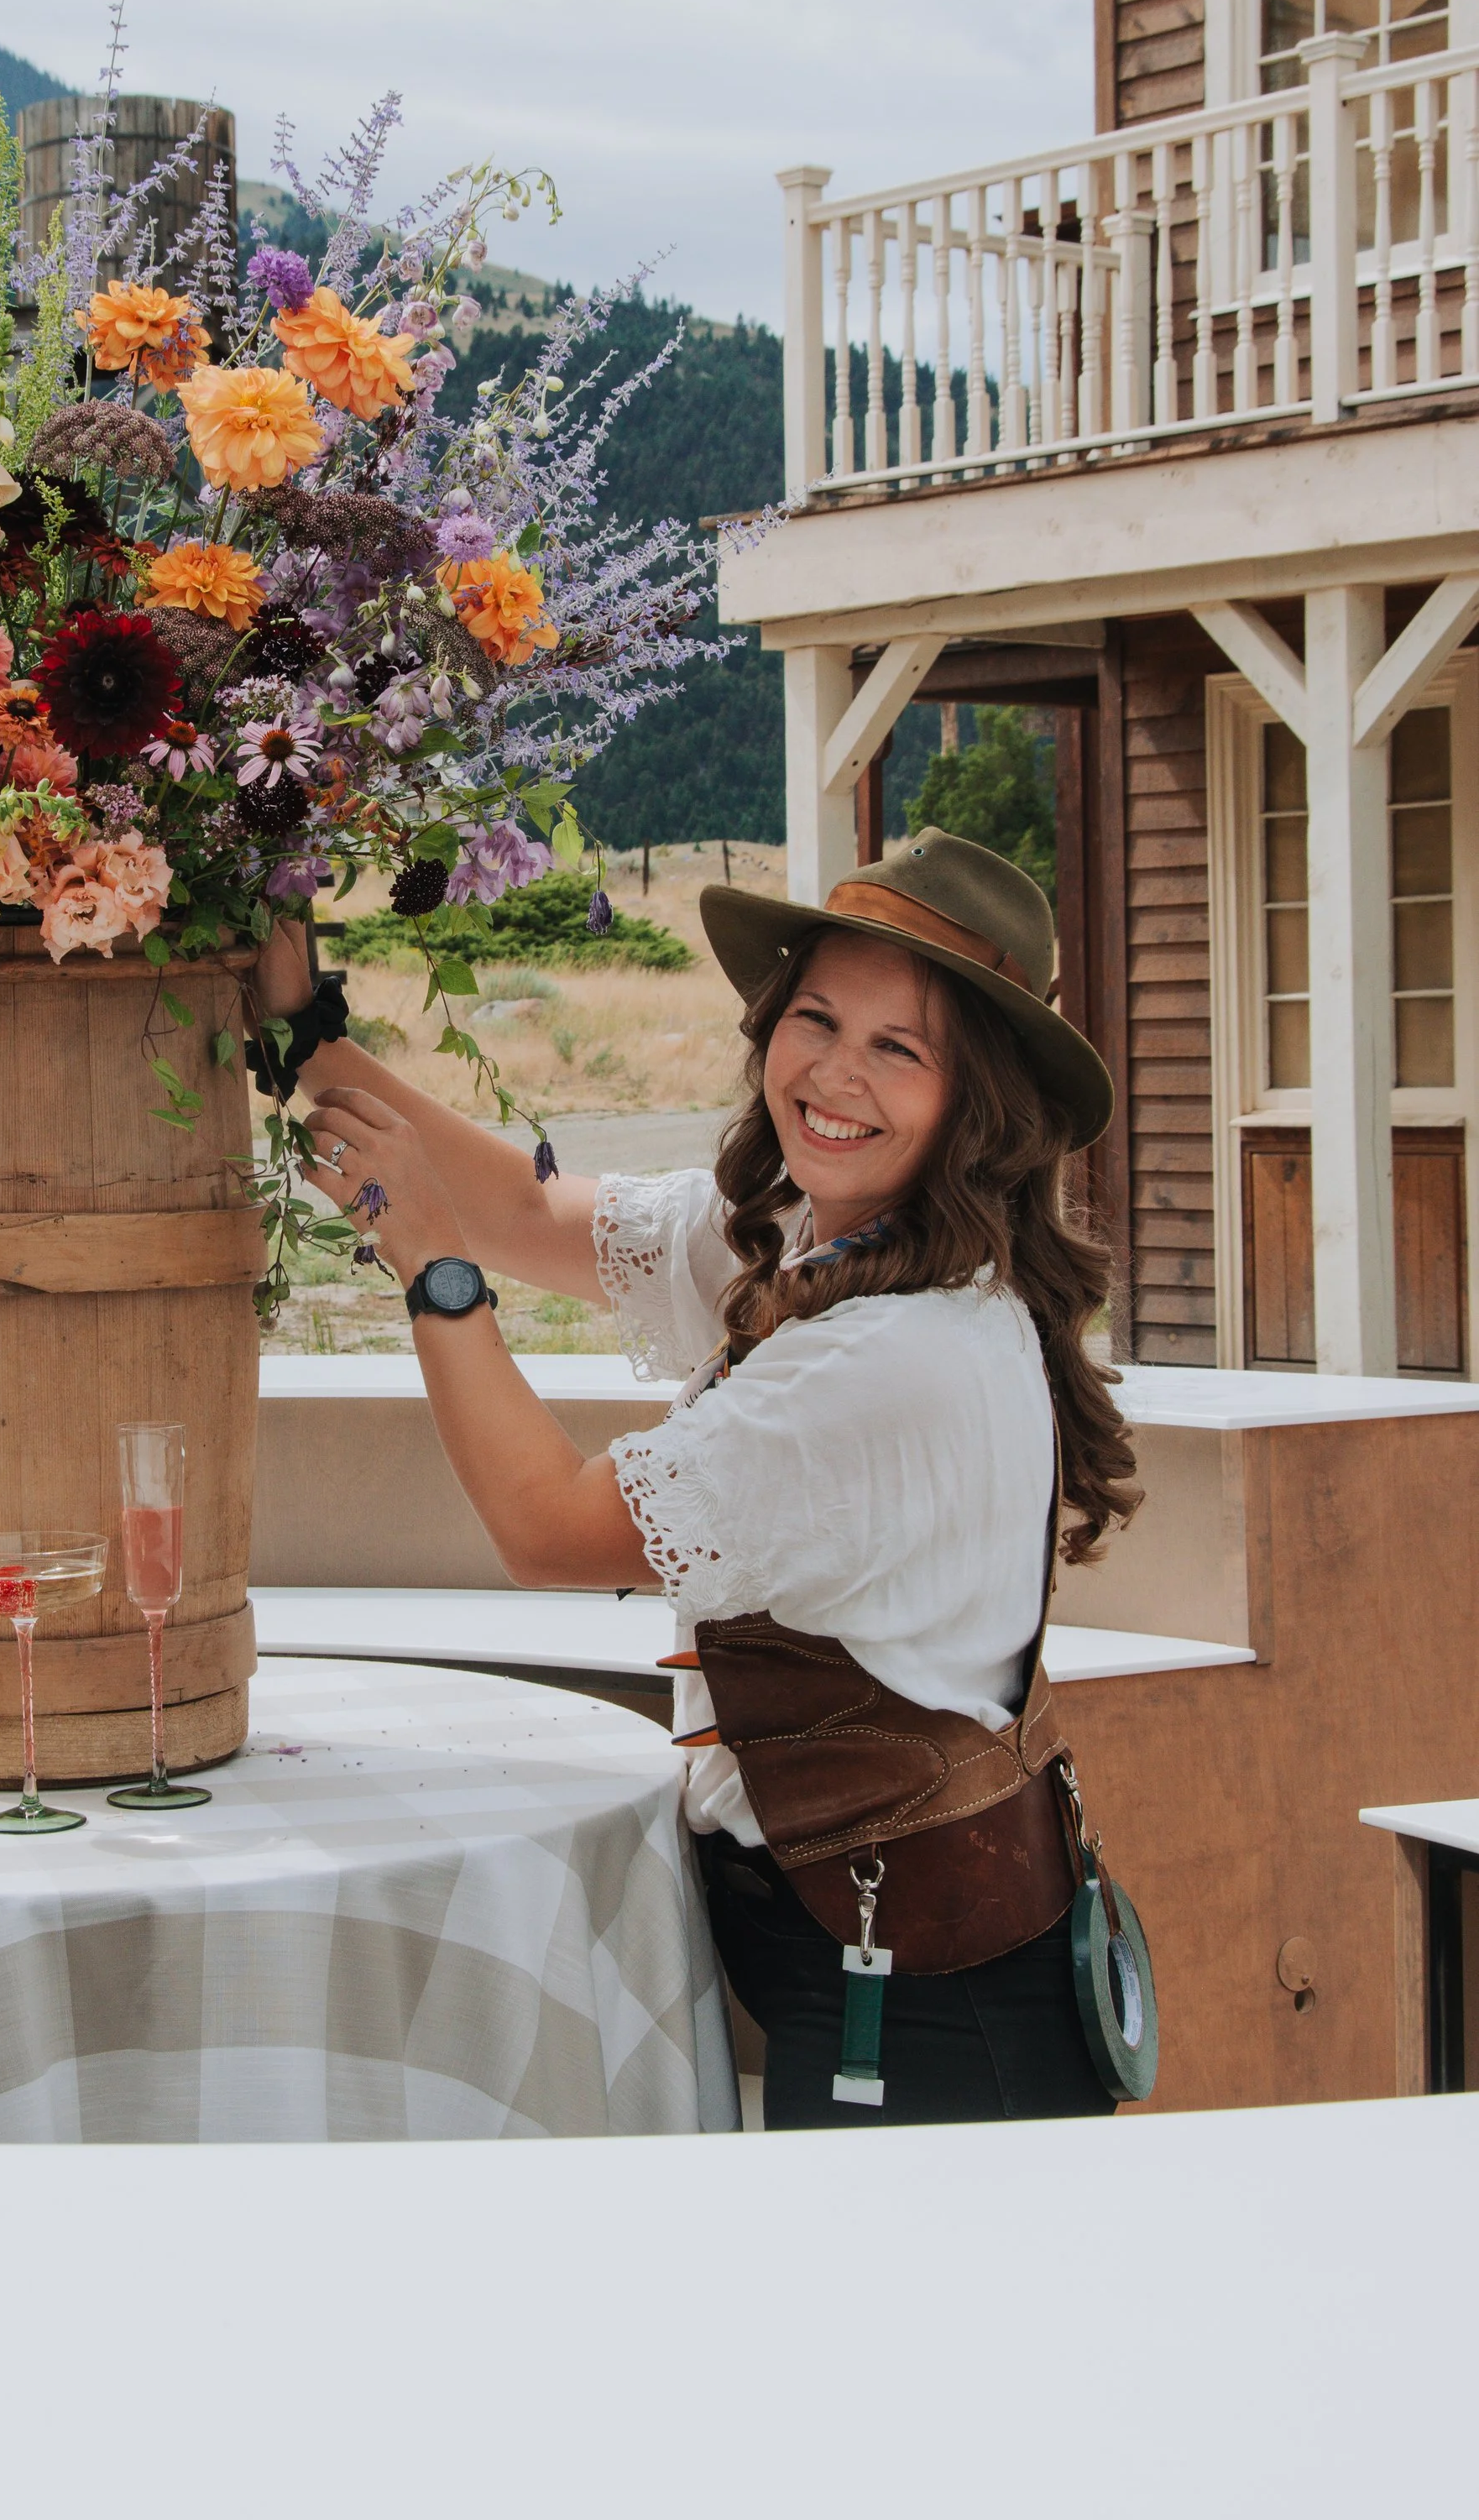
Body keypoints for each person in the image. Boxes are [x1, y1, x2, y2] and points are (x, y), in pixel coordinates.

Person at [253, 824, 1142, 2129]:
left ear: (981, 1103)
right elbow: (527, 1205)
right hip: (874, 1964)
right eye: (818, 1019)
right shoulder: (830, 1239)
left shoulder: (897, 1357)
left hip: (938, 2020)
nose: (836, 1073)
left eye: (899, 1048)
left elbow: (549, 1528)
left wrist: (433, 1274)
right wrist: (297, 1006)